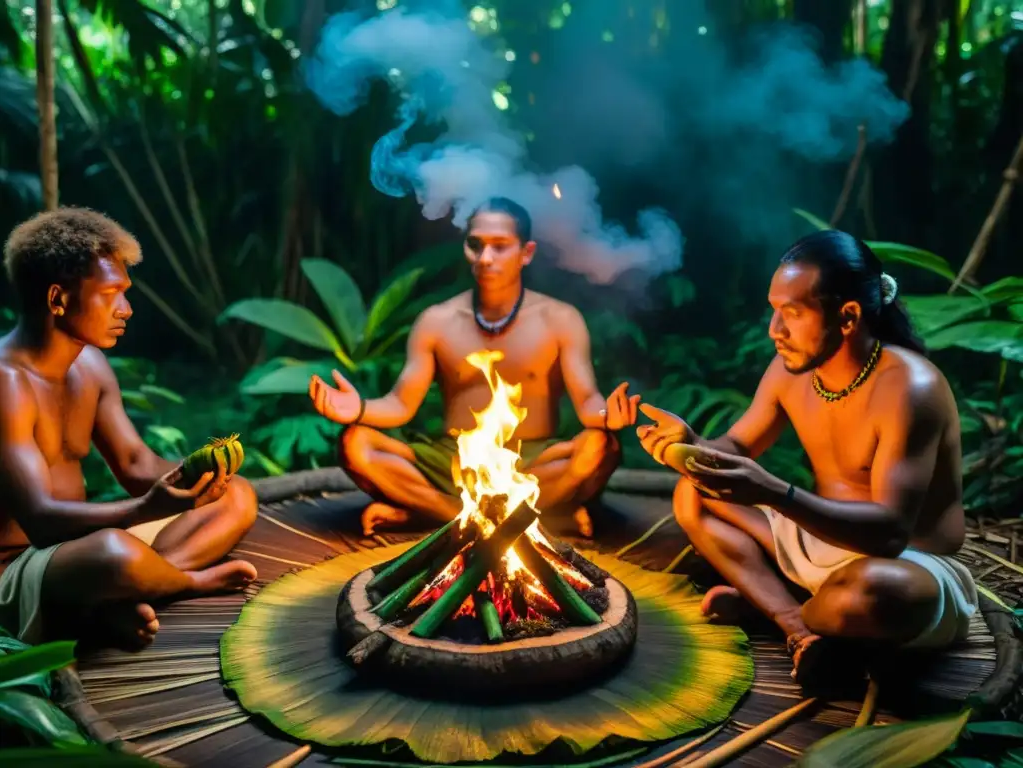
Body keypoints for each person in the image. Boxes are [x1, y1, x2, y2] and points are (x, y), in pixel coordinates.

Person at [636, 229, 978, 689]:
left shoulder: (909, 389)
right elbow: (737, 446)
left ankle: (785, 608)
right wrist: (691, 445)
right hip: (821, 538)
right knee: (692, 492)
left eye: (792, 314)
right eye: (774, 311)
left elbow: (891, 532)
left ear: (848, 316)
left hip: (907, 563)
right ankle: (799, 625)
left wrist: (774, 492)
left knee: (872, 593)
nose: (775, 330)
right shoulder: (789, 371)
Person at [0, 208, 258, 651]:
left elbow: (137, 463)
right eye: (112, 293)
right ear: (58, 299)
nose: (127, 309)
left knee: (238, 497)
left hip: (78, 545)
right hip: (15, 571)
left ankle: (123, 594)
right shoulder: (6, 382)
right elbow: (40, 522)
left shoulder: (90, 366)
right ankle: (182, 583)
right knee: (115, 554)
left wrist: (196, 481)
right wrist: (143, 510)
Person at [309, 197, 639, 538]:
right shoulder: (437, 321)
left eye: (500, 247)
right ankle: (511, 520)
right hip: (453, 460)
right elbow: (401, 404)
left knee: (600, 447)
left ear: (526, 253)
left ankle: (429, 515)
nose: (485, 258)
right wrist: (358, 408)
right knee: (356, 443)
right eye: (475, 245)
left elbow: (587, 401)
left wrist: (605, 416)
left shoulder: (560, 319)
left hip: (533, 461)